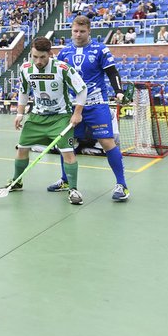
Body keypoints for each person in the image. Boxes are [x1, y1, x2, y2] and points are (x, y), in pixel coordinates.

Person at [48, 16, 131, 202]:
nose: (78, 35)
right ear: (71, 30)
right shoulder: (64, 52)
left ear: (89, 31)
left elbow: (112, 72)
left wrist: (118, 92)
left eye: (82, 31)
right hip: (71, 106)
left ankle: (122, 185)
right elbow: (58, 78)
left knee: (107, 142)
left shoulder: (101, 49)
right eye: (75, 31)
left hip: (95, 103)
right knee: (66, 143)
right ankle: (65, 181)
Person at [5, 38, 87, 205]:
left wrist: (77, 113)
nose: (38, 61)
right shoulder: (26, 69)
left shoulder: (62, 68)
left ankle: (73, 189)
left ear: (50, 54)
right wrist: (20, 114)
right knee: (22, 149)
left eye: (42, 57)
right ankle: (17, 181)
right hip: (36, 117)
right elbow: (23, 92)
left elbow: (82, 89)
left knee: (67, 152)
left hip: (61, 117)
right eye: (35, 57)